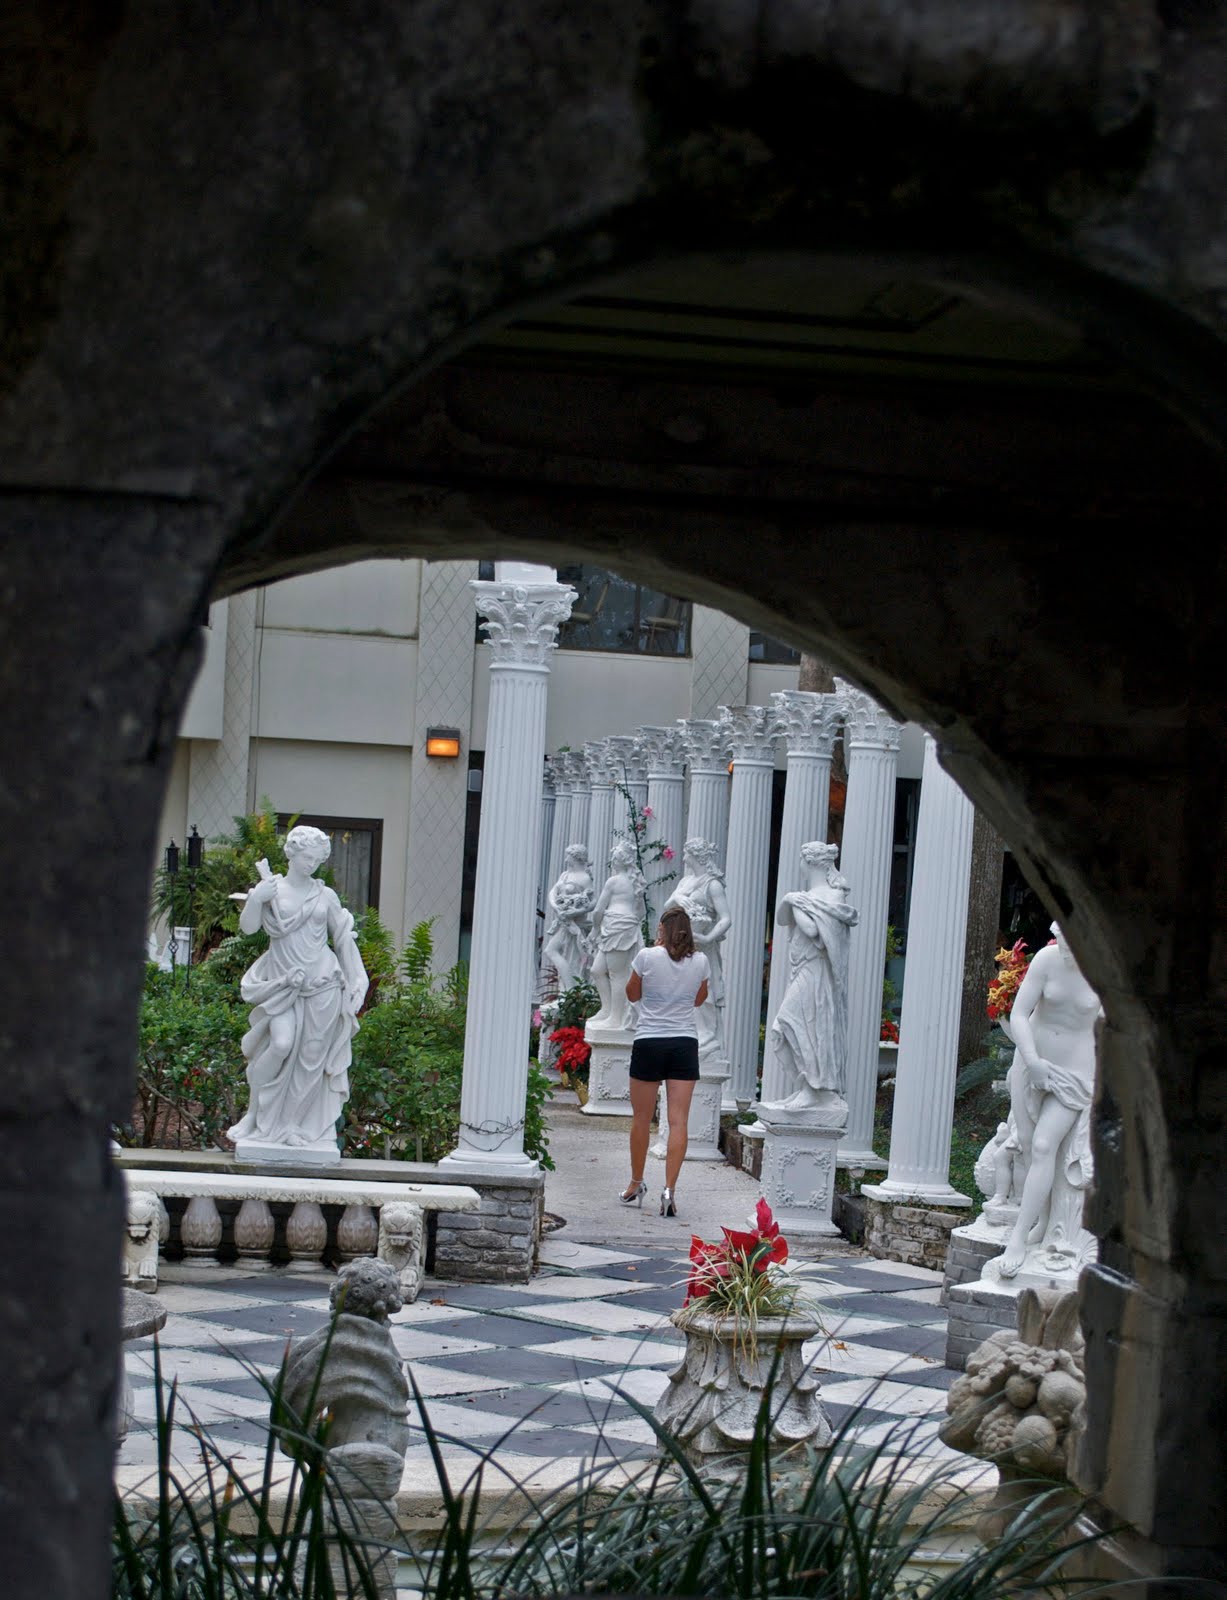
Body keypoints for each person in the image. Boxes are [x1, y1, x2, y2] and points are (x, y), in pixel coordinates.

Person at [227, 825, 368, 1152]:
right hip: (282, 983)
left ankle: (291, 1125)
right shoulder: (272, 890)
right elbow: (248, 928)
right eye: (307, 857)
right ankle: (254, 1115)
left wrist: (357, 979)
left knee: (310, 1061)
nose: (312, 865)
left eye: (318, 860)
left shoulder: (325, 895)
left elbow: (344, 938)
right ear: (292, 853)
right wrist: (256, 900)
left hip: (323, 985)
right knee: (280, 1044)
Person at [997, 922, 1101, 1278]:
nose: (1065, 947)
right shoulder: (1046, 959)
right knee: (1026, 1146)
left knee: (1043, 1146)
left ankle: (1018, 1238)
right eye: (1062, 939)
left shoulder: (1106, 971)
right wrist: (1033, 1062)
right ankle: (1040, 1219)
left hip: (1074, 1075)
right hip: (1032, 1064)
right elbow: (1019, 1014)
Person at [619, 905, 710, 1216]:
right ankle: (669, 1191)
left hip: (649, 1041)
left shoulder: (646, 956)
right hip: (684, 1043)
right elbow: (699, 999)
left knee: (641, 1118)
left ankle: (636, 1182)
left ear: (663, 929)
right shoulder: (700, 961)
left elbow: (631, 994)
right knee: (678, 1121)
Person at [769, 840, 859, 1109]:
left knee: (798, 1022)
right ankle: (807, 1085)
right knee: (794, 1025)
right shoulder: (803, 897)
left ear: (809, 863)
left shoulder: (833, 898)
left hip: (817, 973)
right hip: (802, 971)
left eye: (800, 861)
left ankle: (815, 1088)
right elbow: (782, 919)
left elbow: (810, 930)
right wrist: (789, 899)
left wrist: (799, 903)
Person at [663, 836, 732, 1059]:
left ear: (695, 856)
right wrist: (679, 898)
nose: (683, 858)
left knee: (706, 989)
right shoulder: (685, 882)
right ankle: (691, 1030)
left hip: (702, 945)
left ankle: (707, 1036)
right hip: (682, 946)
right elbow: (667, 907)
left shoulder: (712, 884)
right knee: (683, 987)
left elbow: (725, 919)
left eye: (686, 853)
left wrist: (708, 937)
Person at [586, 836, 646, 1032]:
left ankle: (616, 1018)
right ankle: (607, 1009)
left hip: (616, 928)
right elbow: (641, 912)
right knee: (597, 970)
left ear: (617, 861)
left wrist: (594, 930)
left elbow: (597, 910)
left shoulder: (613, 881)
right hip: (619, 927)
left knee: (617, 975)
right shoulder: (635, 881)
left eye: (613, 858)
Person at [541, 842, 595, 996]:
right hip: (564, 923)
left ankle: (570, 989)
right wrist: (556, 907)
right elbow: (553, 892)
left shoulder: (584, 878)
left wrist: (573, 912)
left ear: (576, 858)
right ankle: (568, 989)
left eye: (568, 856)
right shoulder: (565, 875)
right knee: (554, 951)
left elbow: (593, 903)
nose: (566, 860)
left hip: (575, 925)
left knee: (555, 952)